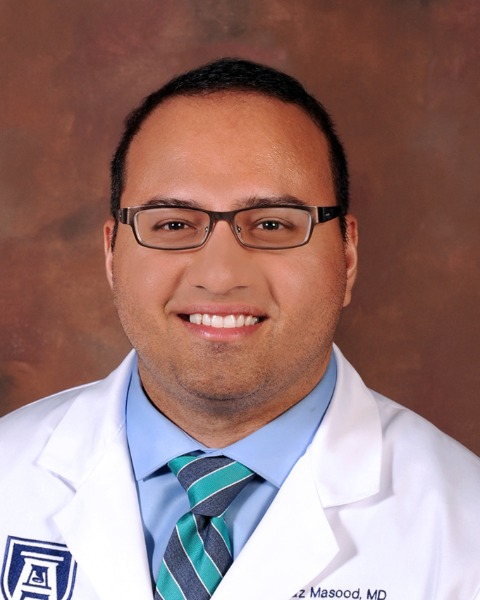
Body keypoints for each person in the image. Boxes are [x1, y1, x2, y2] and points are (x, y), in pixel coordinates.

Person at [0, 58, 479, 600]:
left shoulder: (465, 532)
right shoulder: (7, 475)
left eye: (272, 224)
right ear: (112, 254)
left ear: (347, 256)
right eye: (173, 223)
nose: (221, 275)